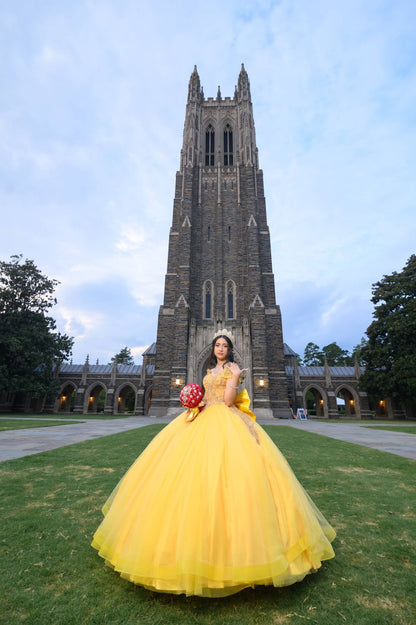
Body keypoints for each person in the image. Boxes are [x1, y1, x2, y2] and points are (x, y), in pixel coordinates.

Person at [91, 329, 336, 598]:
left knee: (231, 477)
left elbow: (230, 401)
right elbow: (208, 395)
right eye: (217, 345)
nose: (220, 348)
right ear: (214, 348)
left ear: (230, 349)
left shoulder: (233, 368)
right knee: (183, 477)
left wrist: (234, 379)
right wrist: (194, 402)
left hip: (225, 421)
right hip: (203, 417)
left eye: (224, 345)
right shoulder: (210, 368)